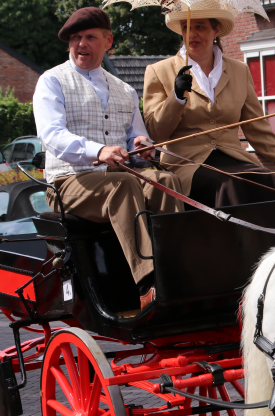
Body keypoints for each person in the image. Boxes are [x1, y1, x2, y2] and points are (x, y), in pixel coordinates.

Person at [33, 6, 184, 309]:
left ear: (108, 41)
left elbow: (135, 140)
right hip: (68, 181)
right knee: (122, 187)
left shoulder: (125, 90)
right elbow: (52, 135)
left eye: (90, 37)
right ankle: (149, 283)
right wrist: (98, 151)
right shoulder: (52, 81)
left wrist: (142, 146)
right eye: (75, 38)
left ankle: (179, 268)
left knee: (166, 180)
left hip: (119, 177)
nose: (81, 44)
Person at [142, 2, 275, 208]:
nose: (192, 34)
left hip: (233, 158)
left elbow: (257, 127)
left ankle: (274, 240)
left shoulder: (239, 70)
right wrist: (177, 97)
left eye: (200, 27)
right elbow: (156, 132)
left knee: (264, 179)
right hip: (187, 163)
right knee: (228, 184)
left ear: (216, 30)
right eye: (186, 28)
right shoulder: (158, 71)